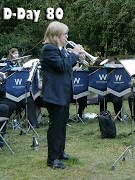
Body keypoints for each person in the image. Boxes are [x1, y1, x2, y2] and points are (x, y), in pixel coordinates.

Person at [40, 21, 84, 169]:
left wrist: (79, 57)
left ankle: (60, 152)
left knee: (62, 125)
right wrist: (74, 54)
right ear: (56, 35)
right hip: (54, 94)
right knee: (55, 126)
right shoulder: (48, 49)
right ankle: (52, 159)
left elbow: (67, 66)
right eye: (64, 34)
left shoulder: (60, 49)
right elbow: (61, 66)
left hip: (63, 93)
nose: (66, 37)